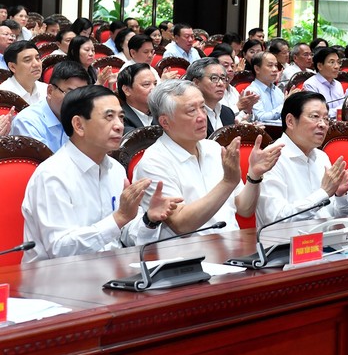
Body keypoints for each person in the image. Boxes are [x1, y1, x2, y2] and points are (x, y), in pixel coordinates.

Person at [21, 85, 181, 262]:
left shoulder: (115, 169)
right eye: (109, 117)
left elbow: (127, 236)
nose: (120, 126)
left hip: (113, 270)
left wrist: (149, 220)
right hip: (57, 280)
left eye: (121, 117)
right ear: (79, 125)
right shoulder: (52, 175)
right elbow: (60, 250)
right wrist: (119, 218)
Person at [134, 79, 282, 238]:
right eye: (191, 110)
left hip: (233, 247)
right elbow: (181, 224)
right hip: (189, 256)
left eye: (202, 107)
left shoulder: (214, 149)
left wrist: (254, 175)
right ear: (165, 121)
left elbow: (245, 209)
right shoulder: (153, 162)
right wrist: (227, 182)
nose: (202, 117)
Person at [257, 91, 348, 226]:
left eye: (326, 119)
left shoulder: (321, 157)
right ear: (290, 121)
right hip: (287, 244)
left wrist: (340, 195)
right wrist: (324, 193)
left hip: (327, 240)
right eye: (315, 117)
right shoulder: (271, 159)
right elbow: (275, 219)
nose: (323, 124)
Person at [184, 57, 236, 136]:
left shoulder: (227, 113)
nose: (221, 83)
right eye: (214, 78)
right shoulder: (189, 115)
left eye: (223, 78)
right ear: (196, 83)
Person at [304, 46, 345, 117]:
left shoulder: (338, 84)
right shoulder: (310, 84)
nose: (337, 66)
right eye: (332, 62)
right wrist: (339, 110)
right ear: (320, 66)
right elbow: (316, 113)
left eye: (338, 62)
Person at [117, 63, 157, 133]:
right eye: (146, 84)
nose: (154, 89)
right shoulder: (120, 118)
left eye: (155, 84)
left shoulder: (160, 113)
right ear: (127, 90)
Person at [246, 51, 284, 122]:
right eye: (270, 65)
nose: (275, 69)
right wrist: (285, 105)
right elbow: (261, 118)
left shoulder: (277, 90)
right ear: (257, 69)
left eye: (276, 65)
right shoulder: (252, 91)